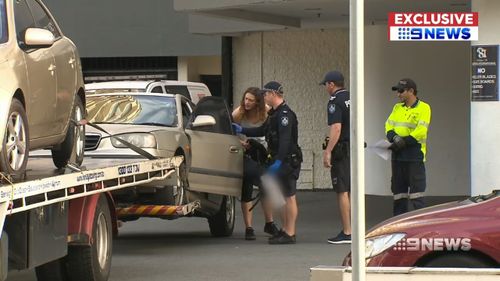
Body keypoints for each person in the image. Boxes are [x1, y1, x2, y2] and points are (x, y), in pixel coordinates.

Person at [233, 81, 302, 244]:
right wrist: (242, 130)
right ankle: (285, 230)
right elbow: (262, 131)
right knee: (281, 196)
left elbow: (285, 141)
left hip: (287, 160)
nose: (264, 97)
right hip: (279, 159)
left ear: (272, 94)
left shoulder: (285, 114)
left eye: (265, 94)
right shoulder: (274, 114)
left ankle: (290, 233)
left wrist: (278, 162)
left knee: (289, 197)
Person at [232, 87, 279, 240]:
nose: (247, 102)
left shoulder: (266, 112)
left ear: (258, 102)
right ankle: (249, 227)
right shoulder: (239, 113)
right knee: (247, 189)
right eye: (245, 99)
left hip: (262, 153)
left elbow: (270, 127)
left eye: (251, 100)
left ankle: (269, 222)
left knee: (266, 186)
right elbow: (231, 131)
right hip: (245, 154)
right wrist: (240, 142)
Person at [386, 78, 431, 216]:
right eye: (397, 91)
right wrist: (394, 137)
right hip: (398, 156)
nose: (398, 94)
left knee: (417, 194)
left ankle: (420, 225)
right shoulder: (397, 107)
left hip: (414, 155)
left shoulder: (424, 107)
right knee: (399, 193)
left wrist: (403, 142)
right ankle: (399, 222)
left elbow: (421, 130)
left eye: (401, 91)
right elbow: (388, 125)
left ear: (411, 91)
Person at [320, 71, 352, 244]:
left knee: (342, 190)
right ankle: (355, 228)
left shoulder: (335, 101)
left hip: (342, 150)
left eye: (326, 85)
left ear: (331, 84)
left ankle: (347, 232)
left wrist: (328, 151)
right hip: (354, 149)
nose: (326, 88)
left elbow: (336, 128)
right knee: (352, 190)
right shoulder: (352, 97)